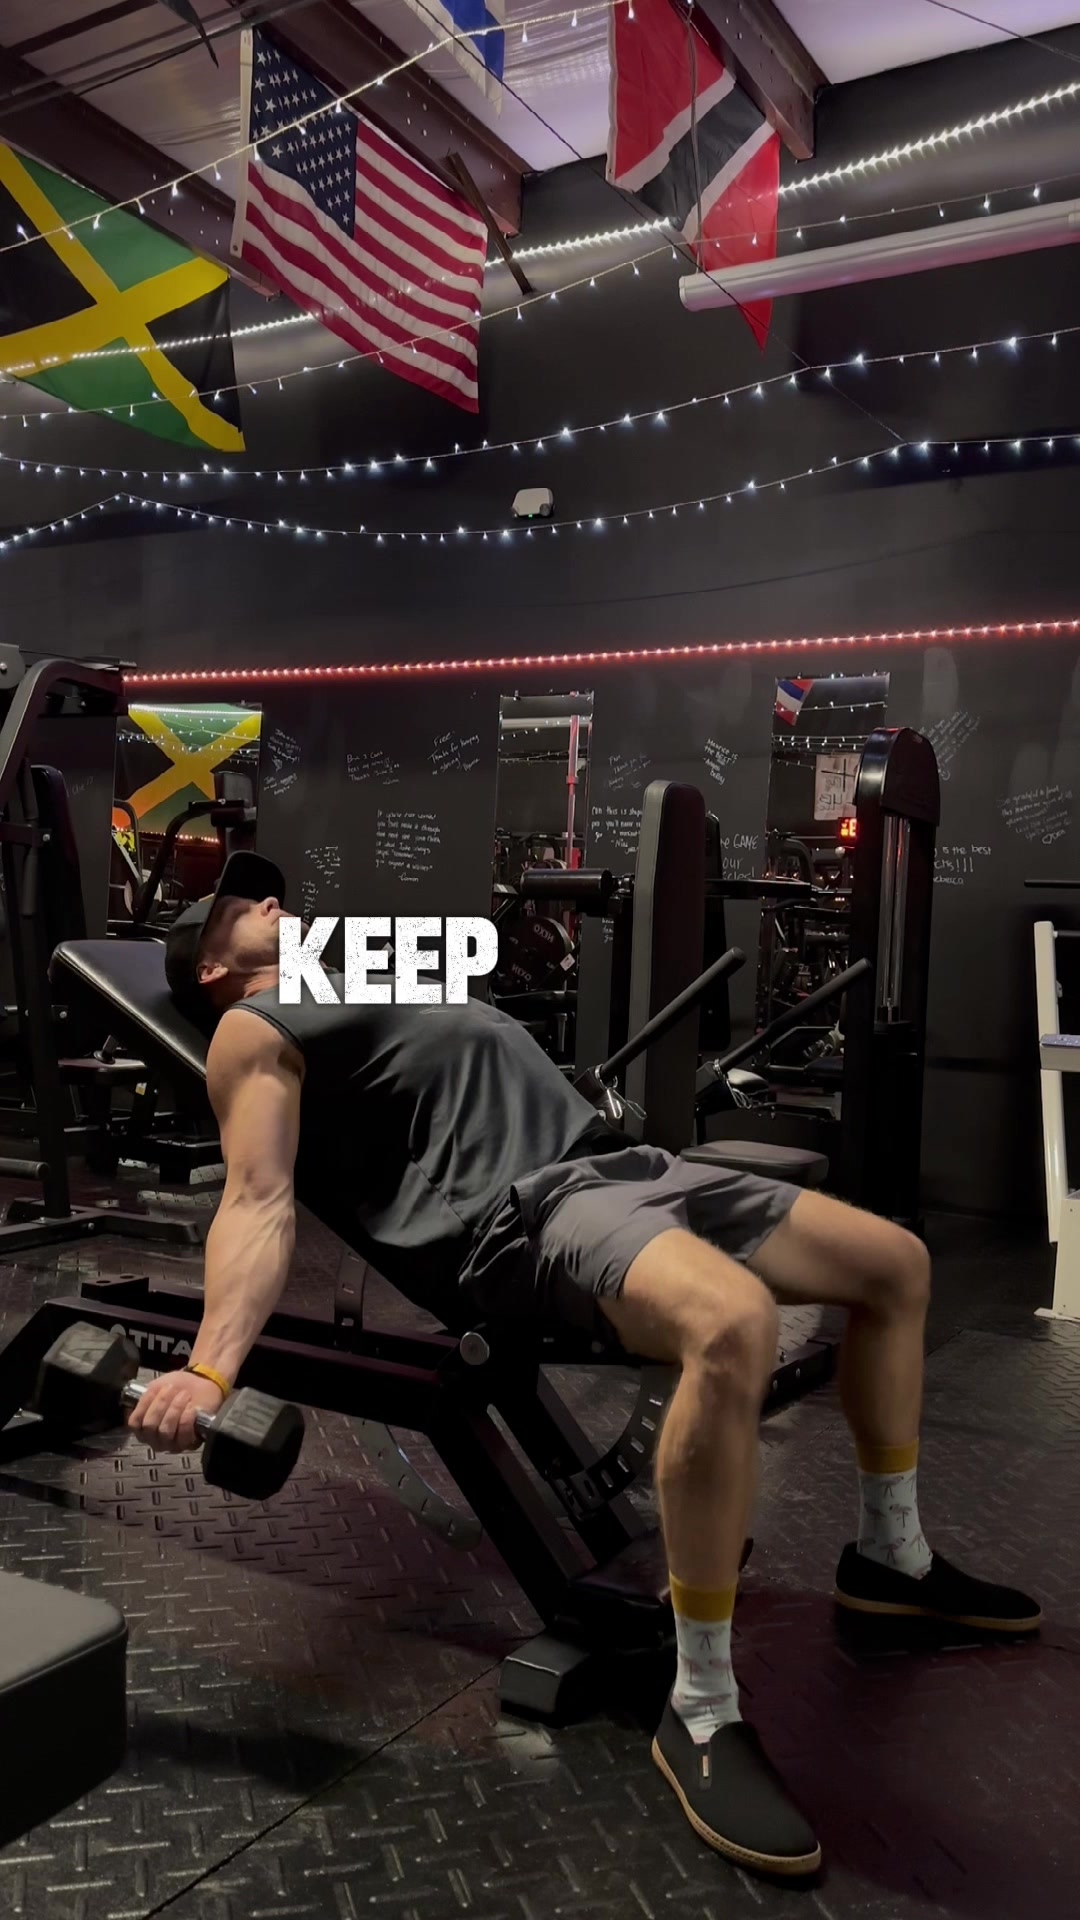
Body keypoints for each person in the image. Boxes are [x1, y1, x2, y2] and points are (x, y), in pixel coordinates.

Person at [133, 852, 1040, 1880]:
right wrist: (209, 1371)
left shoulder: (363, 984)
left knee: (896, 1266)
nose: (271, 901)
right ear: (210, 970)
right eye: (240, 907)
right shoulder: (254, 1029)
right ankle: (701, 1707)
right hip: (532, 1213)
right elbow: (255, 1201)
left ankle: (891, 1560)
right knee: (733, 1323)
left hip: (625, 1169)